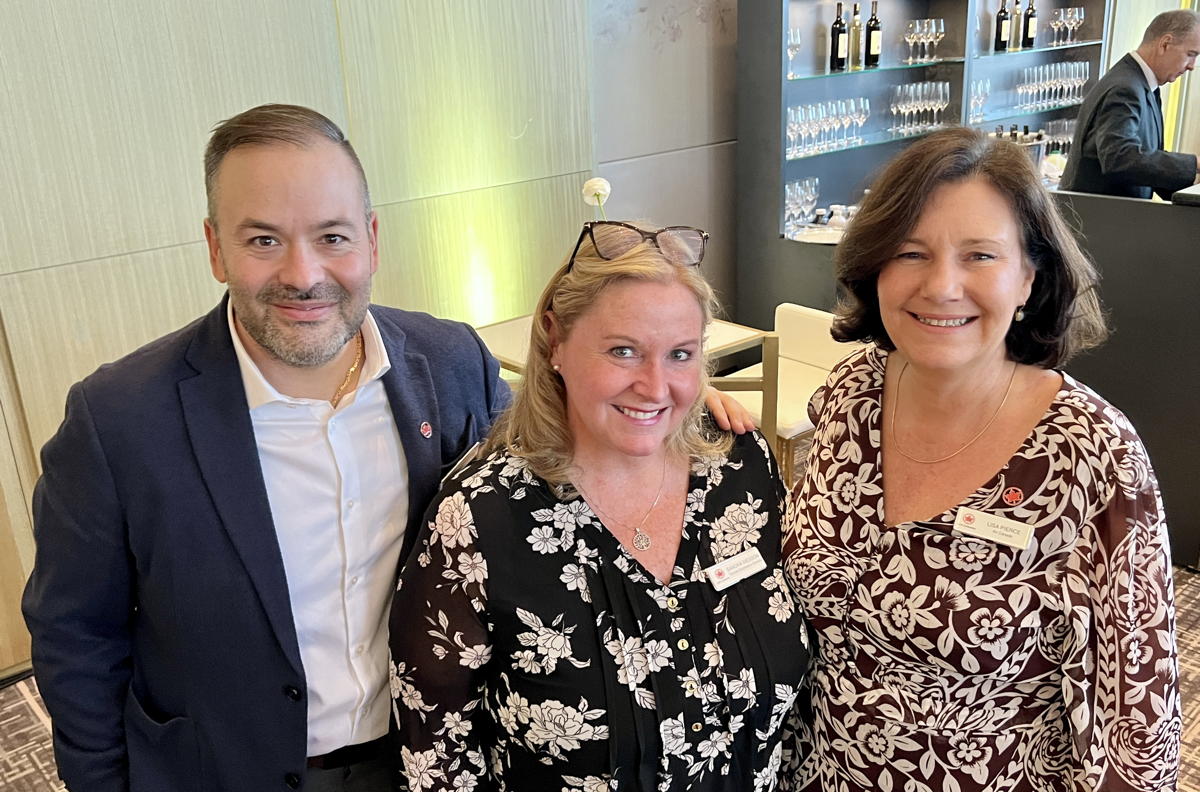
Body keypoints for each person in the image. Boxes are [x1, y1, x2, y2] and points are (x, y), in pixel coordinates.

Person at [21, 104, 509, 792]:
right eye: (263, 240)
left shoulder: (453, 364)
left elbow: (530, 515)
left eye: (332, 236)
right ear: (216, 249)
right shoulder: (117, 420)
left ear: (371, 240)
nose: (303, 274)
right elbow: (75, 635)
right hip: (223, 770)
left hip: (428, 759)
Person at [782, 128, 1180, 791]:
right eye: (910, 252)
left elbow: (1138, 724)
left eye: (980, 256)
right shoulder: (852, 393)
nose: (942, 286)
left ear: (1029, 276)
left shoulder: (1092, 454)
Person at [389, 220, 808, 791]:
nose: (655, 387)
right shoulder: (479, 519)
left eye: (680, 354)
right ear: (555, 341)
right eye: (623, 351)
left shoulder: (739, 466)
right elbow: (437, 754)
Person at [1060, 9, 1199, 199]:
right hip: (1101, 215)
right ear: (1165, 44)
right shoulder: (1125, 89)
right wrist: (1195, 164)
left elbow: (1145, 162)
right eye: (1191, 54)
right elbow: (1119, 157)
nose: (1192, 66)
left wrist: (1191, 187)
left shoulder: (1141, 84)